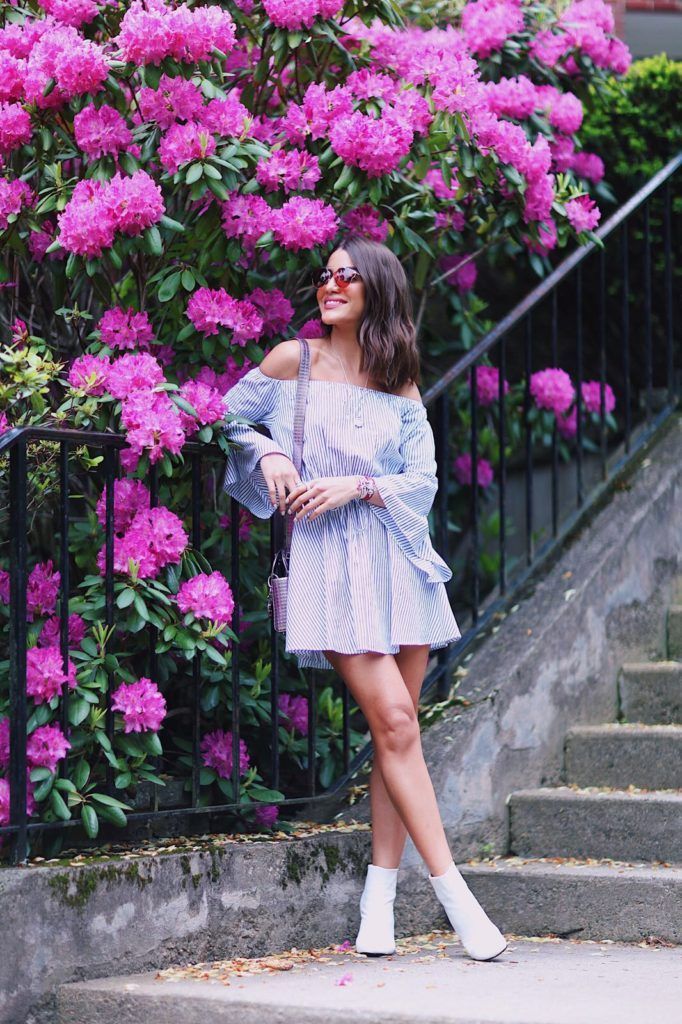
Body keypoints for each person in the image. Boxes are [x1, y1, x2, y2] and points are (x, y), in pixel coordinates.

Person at [222, 234, 507, 962]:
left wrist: (358, 484)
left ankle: (378, 897)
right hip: (332, 562)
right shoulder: (296, 361)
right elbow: (226, 419)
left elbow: (424, 480)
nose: (331, 284)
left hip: (396, 560)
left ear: (379, 288)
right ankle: (457, 900)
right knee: (397, 722)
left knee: (395, 736)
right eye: (326, 275)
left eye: (348, 276)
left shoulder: (398, 381)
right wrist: (273, 451)